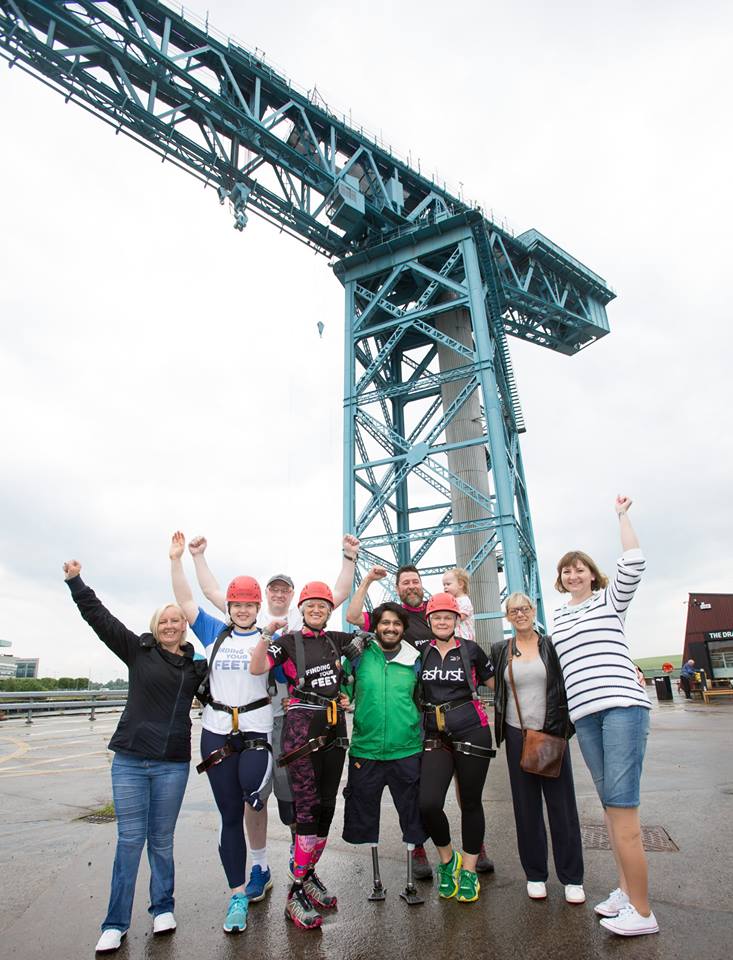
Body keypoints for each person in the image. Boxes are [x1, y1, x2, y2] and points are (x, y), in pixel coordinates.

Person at [185, 533, 360, 900]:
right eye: (274, 590)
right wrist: (198, 556)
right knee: (257, 798)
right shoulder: (252, 616)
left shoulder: (302, 617)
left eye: (285, 590)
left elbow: (339, 594)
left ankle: (302, 870)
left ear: (293, 595)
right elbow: (212, 592)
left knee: (298, 801)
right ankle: (261, 866)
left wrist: (349, 557)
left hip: (293, 718)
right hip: (264, 719)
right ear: (264, 594)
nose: (279, 595)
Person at [62, 560, 206, 955]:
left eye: (177, 620)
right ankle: (114, 923)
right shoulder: (137, 651)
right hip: (129, 760)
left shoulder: (196, 669)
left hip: (172, 764)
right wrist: (77, 582)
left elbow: (229, 694)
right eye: (164, 620)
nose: (171, 625)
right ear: (155, 625)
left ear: (184, 626)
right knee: (129, 841)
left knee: (161, 841)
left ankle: (163, 908)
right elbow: (100, 619)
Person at [346, 564, 494, 877]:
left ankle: (474, 847)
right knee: (424, 795)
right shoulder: (396, 616)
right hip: (426, 716)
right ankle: (421, 849)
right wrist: (367, 580)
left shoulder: (437, 607)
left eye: (415, 581)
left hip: (463, 718)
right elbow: (354, 616)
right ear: (398, 588)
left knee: (465, 789)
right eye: (405, 582)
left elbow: (490, 673)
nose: (411, 585)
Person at [553, 496, 658, 937]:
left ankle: (643, 911)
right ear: (560, 579)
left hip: (620, 708)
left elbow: (633, 562)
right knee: (611, 810)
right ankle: (624, 891)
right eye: (566, 569)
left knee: (623, 811)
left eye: (580, 568)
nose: (573, 574)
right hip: (585, 718)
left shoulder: (608, 602)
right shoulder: (557, 618)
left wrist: (622, 515)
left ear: (593, 575)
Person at [169, 532, 275, 935]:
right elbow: (187, 601)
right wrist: (182, 559)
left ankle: (261, 864)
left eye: (250, 605)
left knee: (254, 797)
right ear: (229, 607)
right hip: (215, 730)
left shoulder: (270, 637)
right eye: (238, 605)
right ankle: (236, 895)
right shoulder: (216, 632)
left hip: (256, 731)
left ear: (257, 607)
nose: (244, 610)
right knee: (230, 816)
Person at [249, 581, 368, 930]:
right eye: (311, 605)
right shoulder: (287, 642)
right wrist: (265, 634)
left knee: (327, 806)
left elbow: (366, 631)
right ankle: (295, 892)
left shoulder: (336, 640)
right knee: (306, 809)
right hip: (302, 729)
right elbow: (257, 668)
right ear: (301, 609)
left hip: (334, 728)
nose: (317, 610)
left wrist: (367, 583)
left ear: (329, 611)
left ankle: (309, 874)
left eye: (323, 606)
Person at [490, 593, 584, 903]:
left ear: (534, 611)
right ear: (507, 616)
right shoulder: (501, 650)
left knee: (562, 806)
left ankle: (572, 878)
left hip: (550, 733)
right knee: (526, 808)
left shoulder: (552, 646)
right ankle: (535, 874)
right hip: (518, 734)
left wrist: (563, 729)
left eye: (525, 609)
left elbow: (570, 682)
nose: (520, 614)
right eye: (513, 611)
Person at [341, 602, 427, 904]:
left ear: (403, 628)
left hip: (406, 749)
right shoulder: (360, 657)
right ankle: (376, 881)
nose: (390, 628)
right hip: (366, 749)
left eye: (396, 624)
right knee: (365, 813)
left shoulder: (415, 659)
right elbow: (344, 693)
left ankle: (411, 878)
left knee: (412, 813)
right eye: (385, 623)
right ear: (375, 626)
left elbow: (422, 698)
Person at [418, 592, 495, 904]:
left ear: (456, 620)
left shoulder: (471, 650)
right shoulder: (420, 652)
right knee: (428, 803)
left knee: (471, 802)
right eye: (436, 617)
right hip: (435, 733)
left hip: (472, 730)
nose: (442, 621)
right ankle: (449, 860)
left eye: (447, 616)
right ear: (429, 621)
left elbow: (498, 682)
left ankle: (470, 871)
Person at [442, 567, 475, 641]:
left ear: (460, 584)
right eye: (444, 585)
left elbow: (460, 617)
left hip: (465, 638)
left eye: (448, 584)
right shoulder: (452, 600)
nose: (445, 587)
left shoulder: (464, 601)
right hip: (455, 639)